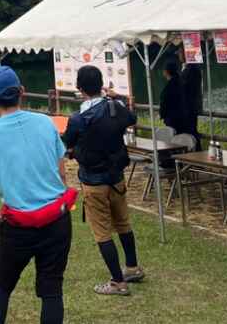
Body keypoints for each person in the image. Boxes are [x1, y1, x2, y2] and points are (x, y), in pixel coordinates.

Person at [0, 66, 74, 324]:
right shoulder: (45, 123)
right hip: (56, 220)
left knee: (2, 285)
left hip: (18, 225)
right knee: (52, 289)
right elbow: (62, 173)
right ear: (22, 92)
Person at [62, 65, 145, 296]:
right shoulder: (115, 108)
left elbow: (66, 143)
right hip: (116, 178)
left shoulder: (78, 118)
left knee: (102, 232)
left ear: (79, 88)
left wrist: (75, 150)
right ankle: (132, 268)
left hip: (93, 181)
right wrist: (118, 98)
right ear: (102, 85)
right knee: (123, 223)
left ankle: (118, 282)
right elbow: (132, 118)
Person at [160, 58, 192, 137]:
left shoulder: (169, 87)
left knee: (174, 140)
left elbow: (164, 102)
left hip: (173, 120)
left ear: (166, 72)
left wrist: (162, 115)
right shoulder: (182, 82)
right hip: (184, 117)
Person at [179, 52, 204, 149]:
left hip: (189, 107)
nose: (179, 55)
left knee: (191, 131)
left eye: (180, 53)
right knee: (190, 130)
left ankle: (197, 151)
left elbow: (186, 87)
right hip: (189, 106)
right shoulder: (189, 67)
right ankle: (195, 150)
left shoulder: (192, 68)